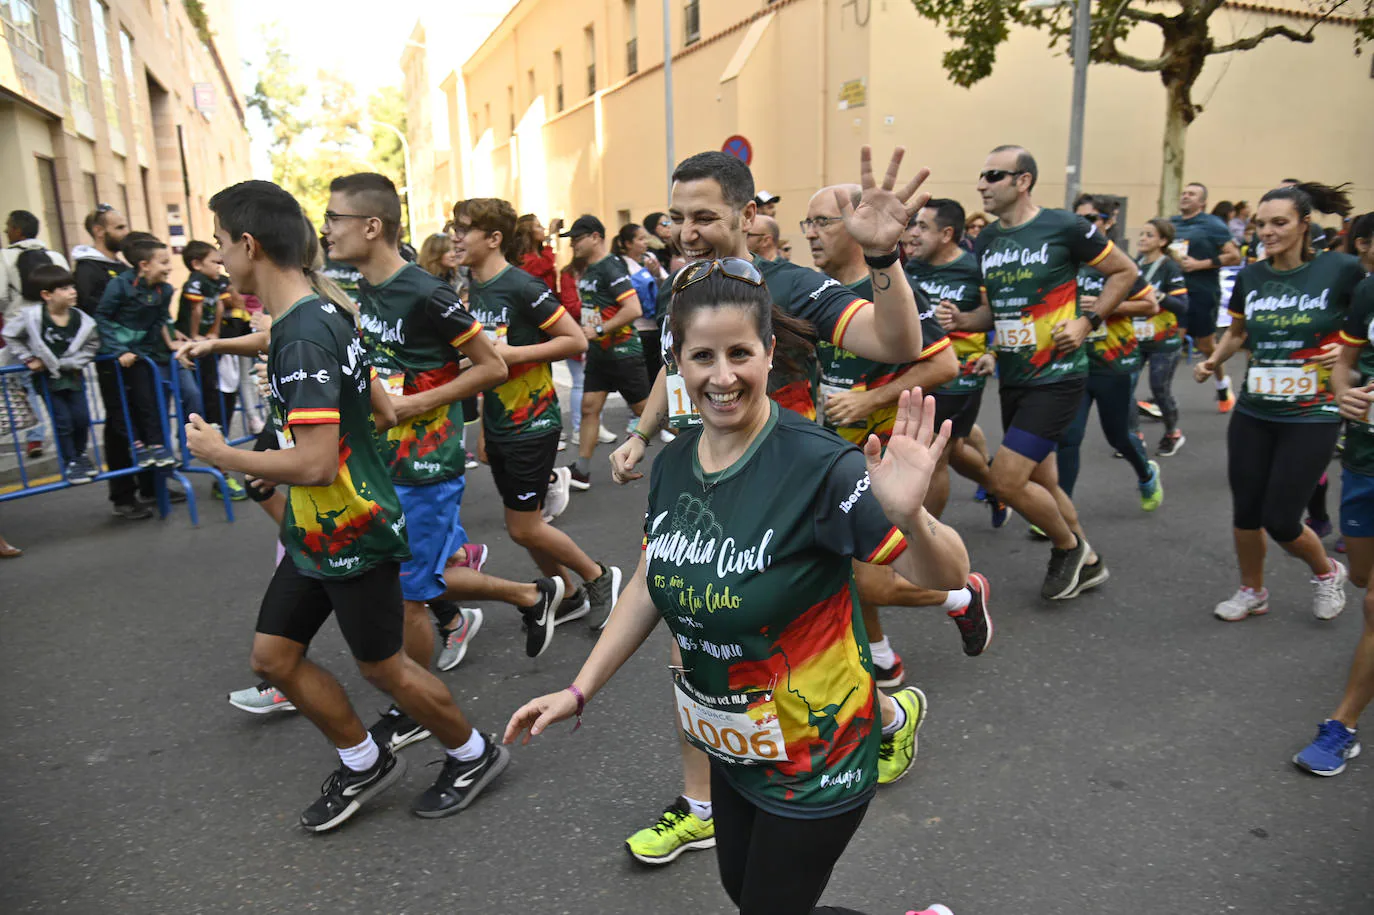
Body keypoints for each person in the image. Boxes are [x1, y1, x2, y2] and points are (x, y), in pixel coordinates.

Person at [505, 258, 966, 915]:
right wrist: (579, 688)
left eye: (740, 353)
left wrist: (910, 514)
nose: (723, 376)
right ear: (678, 366)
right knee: (742, 892)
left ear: (770, 354)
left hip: (817, 752)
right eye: (702, 356)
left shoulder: (819, 464)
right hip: (733, 741)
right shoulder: (673, 465)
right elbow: (646, 582)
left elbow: (942, 578)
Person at [608, 146, 939, 867]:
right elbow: (677, 365)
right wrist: (640, 432)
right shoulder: (683, 284)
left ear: (746, 213)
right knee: (691, 642)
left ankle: (889, 705)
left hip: (790, 501)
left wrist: (883, 260)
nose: (687, 232)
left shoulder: (789, 284)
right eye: (677, 217)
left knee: (804, 655)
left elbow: (896, 341)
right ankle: (701, 802)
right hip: (698, 491)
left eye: (705, 216)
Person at [187, 178, 510, 830]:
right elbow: (383, 408)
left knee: (384, 667)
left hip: (351, 531)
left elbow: (313, 461)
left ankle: (473, 752)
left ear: (250, 244)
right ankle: (363, 759)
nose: (219, 257)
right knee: (274, 657)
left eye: (223, 244)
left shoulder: (306, 332)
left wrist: (225, 455)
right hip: (316, 530)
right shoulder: (320, 314)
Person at [324, 173, 564, 751]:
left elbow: (491, 367)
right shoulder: (361, 290)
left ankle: (416, 702)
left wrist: (412, 405)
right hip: (382, 462)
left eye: (335, 218)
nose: (327, 229)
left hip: (426, 466)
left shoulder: (424, 292)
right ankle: (534, 596)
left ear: (372, 226)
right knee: (419, 581)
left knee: (409, 592)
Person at [806, 184, 990, 687]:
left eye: (822, 222)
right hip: (839, 456)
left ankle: (961, 594)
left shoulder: (890, 288)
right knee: (844, 571)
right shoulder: (812, 292)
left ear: (856, 223)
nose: (810, 234)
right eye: (807, 224)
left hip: (890, 459)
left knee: (871, 579)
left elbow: (946, 364)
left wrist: (869, 400)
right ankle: (881, 657)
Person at [953, 145, 1140, 600]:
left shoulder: (1066, 226)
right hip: (1016, 375)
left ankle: (1069, 547)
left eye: (993, 175)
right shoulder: (987, 241)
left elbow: (1124, 271)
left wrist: (1087, 321)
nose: (982, 184)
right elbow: (994, 313)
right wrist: (963, 322)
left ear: (1024, 181)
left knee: (1005, 480)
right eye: (981, 175)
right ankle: (1091, 564)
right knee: (1043, 481)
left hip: (1057, 376)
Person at [1192, 182, 1362, 623]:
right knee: (1246, 509)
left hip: (1314, 412)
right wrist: (1213, 359)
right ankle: (1252, 590)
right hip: (1255, 410)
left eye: (1279, 223)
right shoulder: (1251, 276)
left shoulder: (1341, 269)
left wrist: (1346, 351)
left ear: (1305, 225)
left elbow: (1366, 320)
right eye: (1261, 224)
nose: (1266, 232)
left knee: (1282, 518)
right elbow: (1238, 332)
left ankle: (1327, 572)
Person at [458, 197, 623, 633]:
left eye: (463, 228)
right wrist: (482, 425)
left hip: (533, 422)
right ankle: (567, 595)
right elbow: (482, 360)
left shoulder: (523, 287)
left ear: (494, 238)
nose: (454, 236)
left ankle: (598, 577)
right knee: (522, 527)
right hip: (499, 421)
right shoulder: (473, 288)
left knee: (523, 527)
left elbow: (575, 341)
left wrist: (515, 354)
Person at [1298, 258, 1374, 775]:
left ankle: (1342, 726)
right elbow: (1345, 361)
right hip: (1366, 461)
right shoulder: (1370, 290)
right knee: (1366, 581)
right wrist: (1343, 389)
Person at [1056, 198, 1164, 512]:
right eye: (1077, 218)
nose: (1084, 224)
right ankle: (1062, 511)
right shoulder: (1063, 261)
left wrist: (1104, 306)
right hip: (1073, 361)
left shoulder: (1116, 261)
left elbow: (1151, 305)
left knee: (1118, 437)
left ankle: (1146, 472)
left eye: (1091, 217)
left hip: (1114, 363)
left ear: (1107, 221)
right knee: (1068, 438)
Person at [911, 199, 1005, 527]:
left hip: (959, 375)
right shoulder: (911, 266)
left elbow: (994, 313)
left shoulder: (974, 267)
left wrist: (962, 319)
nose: (914, 233)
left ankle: (922, 539)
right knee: (956, 451)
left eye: (923, 227)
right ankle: (999, 487)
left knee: (934, 457)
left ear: (946, 233)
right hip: (915, 374)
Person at [563, 214, 652, 490]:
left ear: (595, 237)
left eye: (577, 239)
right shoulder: (589, 269)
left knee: (649, 413)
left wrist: (600, 330)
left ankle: (700, 450)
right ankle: (582, 470)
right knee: (590, 408)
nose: (573, 245)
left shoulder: (611, 267)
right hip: (600, 354)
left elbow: (633, 309)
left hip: (623, 351)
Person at [2, 263, 100, 483]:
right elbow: (10, 335)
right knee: (63, 421)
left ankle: (81, 455)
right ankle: (70, 462)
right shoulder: (32, 317)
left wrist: (77, 362)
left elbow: (92, 343)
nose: (72, 292)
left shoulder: (81, 319)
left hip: (74, 376)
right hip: (48, 380)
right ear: (47, 295)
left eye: (72, 287)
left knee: (82, 418)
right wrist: (29, 357)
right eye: (64, 289)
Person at [95, 233, 177, 477]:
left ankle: (157, 446)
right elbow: (102, 317)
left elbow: (158, 321)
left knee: (148, 401)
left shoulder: (166, 290)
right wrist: (119, 350)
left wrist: (140, 351)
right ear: (144, 265)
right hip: (112, 356)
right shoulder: (119, 285)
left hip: (140, 355)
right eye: (163, 262)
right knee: (120, 406)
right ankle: (137, 446)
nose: (169, 268)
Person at [1, 209, 69, 458]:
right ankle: (68, 444)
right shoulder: (54, 256)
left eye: (8, 226)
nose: (6, 231)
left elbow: (0, 296)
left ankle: (35, 437)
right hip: (53, 331)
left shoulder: (4, 258)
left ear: (18, 230)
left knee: (26, 384)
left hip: (22, 332)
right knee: (59, 386)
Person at [1173, 182, 1243, 413]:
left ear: (1202, 203)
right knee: (1172, 340)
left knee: (1205, 345)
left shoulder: (1213, 225)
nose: (1185, 196)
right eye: (1184, 193)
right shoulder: (1171, 224)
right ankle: (1159, 395)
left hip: (1203, 291)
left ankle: (1222, 385)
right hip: (1175, 293)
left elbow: (1233, 256)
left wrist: (1199, 264)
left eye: (1191, 194)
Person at [1135, 218, 1191, 456]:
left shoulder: (1169, 267)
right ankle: (1133, 436)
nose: (1143, 238)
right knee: (1124, 387)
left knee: (1160, 389)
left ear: (1163, 241)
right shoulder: (1134, 264)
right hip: (1135, 337)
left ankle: (1172, 433)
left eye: (1149, 235)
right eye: (1142, 234)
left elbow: (1182, 306)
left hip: (1163, 340)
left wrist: (1156, 294)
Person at [612, 222, 665, 405]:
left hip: (654, 326)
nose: (645, 243)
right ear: (628, 243)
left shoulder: (650, 258)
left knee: (655, 373)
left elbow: (666, 285)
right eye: (640, 239)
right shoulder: (620, 265)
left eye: (645, 239)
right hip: (635, 327)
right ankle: (639, 418)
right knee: (641, 379)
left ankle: (657, 418)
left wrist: (657, 274)